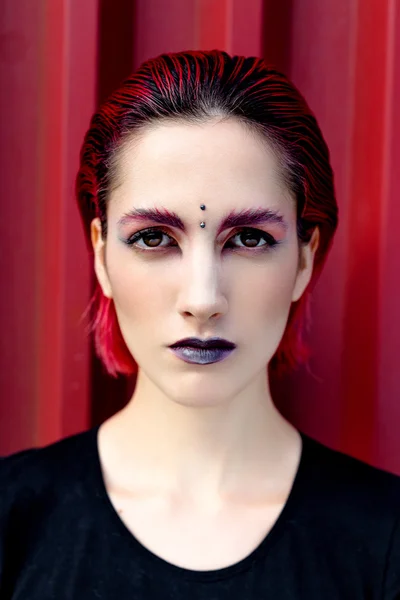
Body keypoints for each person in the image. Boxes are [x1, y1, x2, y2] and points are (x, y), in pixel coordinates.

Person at [1, 49, 399, 599]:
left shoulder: (385, 538)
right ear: (100, 256)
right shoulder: (11, 521)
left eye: (250, 239)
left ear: (304, 260)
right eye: (154, 238)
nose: (202, 298)